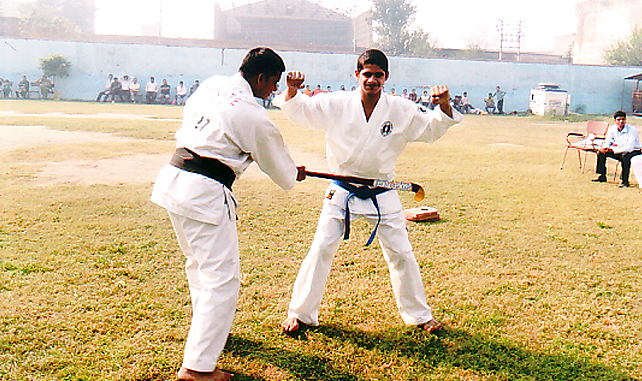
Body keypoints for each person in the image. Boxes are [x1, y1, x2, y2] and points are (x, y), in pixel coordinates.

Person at [273, 48, 462, 335]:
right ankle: (301, 314)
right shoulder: (337, 103)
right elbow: (301, 110)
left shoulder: (400, 109)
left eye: (378, 75)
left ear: (386, 77)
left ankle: (420, 315)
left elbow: (431, 128)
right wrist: (291, 91)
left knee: (402, 254)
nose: (372, 80)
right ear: (357, 74)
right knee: (321, 249)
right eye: (367, 74)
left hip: (382, 192)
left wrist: (444, 104)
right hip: (342, 191)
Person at [151, 47, 306, 381]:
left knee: (199, 267)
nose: (274, 90)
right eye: (273, 82)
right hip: (204, 192)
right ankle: (197, 368)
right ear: (260, 77)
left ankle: (211, 333)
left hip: (175, 179)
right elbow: (282, 173)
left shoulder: (211, 85)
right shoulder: (253, 115)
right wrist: (293, 172)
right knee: (222, 280)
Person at [591, 111, 642, 188]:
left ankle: (625, 181)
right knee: (601, 153)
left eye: (623, 119)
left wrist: (613, 150)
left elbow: (629, 147)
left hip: (634, 151)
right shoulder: (613, 129)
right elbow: (608, 141)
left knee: (625, 156)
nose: (621, 121)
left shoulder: (632, 130)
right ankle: (602, 176)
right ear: (615, 121)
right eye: (619, 120)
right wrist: (605, 148)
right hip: (620, 150)